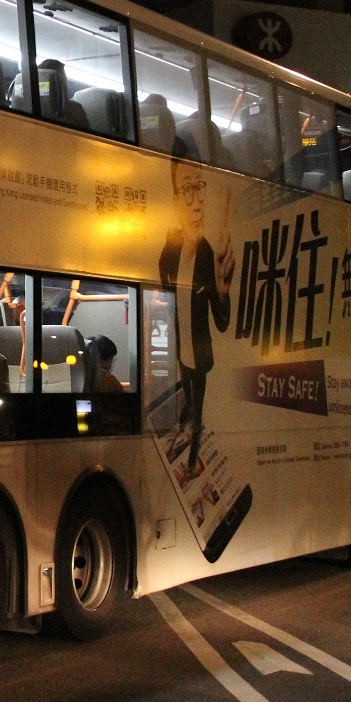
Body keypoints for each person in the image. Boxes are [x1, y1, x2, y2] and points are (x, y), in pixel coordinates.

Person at [158, 161, 234, 472]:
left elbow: (222, 322)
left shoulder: (209, 257)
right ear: (175, 200)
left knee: (198, 411)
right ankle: (184, 425)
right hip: (182, 350)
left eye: (199, 188)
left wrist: (223, 292)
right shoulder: (170, 254)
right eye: (187, 190)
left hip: (200, 354)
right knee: (186, 398)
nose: (198, 201)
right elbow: (165, 296)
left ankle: (192, 459)